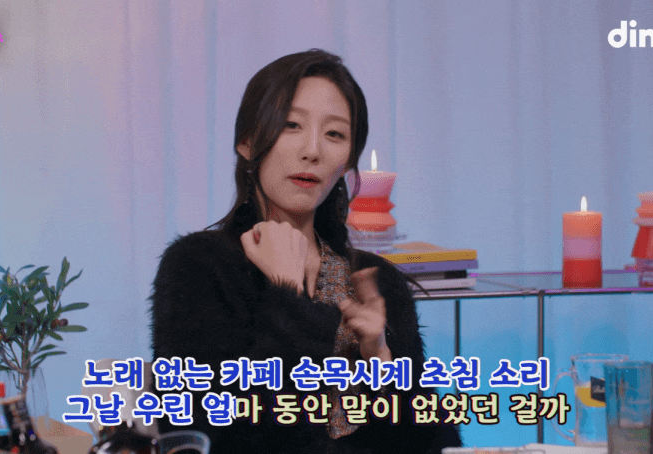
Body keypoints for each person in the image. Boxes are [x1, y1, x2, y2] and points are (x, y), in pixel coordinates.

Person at [150, 49, 461, 453]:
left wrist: (381, 365)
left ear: (348, 160)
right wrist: (287, 293)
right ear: (247, 142)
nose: (313, 150)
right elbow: (202, 432)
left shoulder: (376, 279)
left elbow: (433, 444)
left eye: (335, 134)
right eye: (291, 125)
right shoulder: (199, 266)